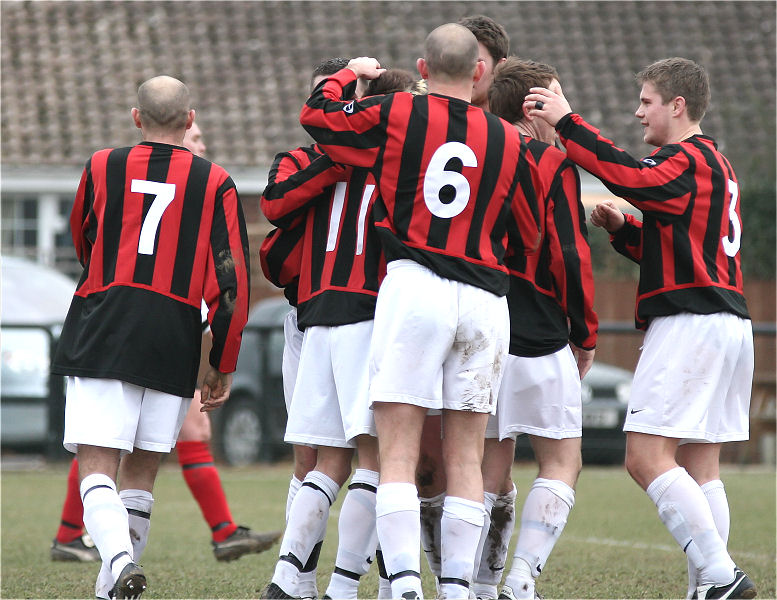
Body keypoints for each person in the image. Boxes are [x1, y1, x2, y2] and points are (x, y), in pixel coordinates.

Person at [299, 23, 541, 600]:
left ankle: (405, 582)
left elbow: (318, 118)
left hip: (416, 286)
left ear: (422, 68)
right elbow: (529, 236)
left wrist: (349, 74)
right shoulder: (511, 139)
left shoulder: (399, 112)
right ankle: (456, 588)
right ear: (481, 72)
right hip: (486, 297)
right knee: (466, 456)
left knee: (398, 453)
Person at [526, 57, 756, 599]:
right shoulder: (717, 164)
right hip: (726, 321)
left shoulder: (687, 159)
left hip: (691, 323)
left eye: (647, 102)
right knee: (702, 465)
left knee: (645, 456)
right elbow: (678, 244)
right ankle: (707, 588)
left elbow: (631, 176)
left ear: (677, 106)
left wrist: (567, 121)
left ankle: (721, 577)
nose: (638, 112)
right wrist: (626, 228)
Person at [50, 76, 251, 599]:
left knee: (97, 462)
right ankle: (114, 582)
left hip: (105, 317)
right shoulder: (216, 181)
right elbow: (232, 283)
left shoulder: (101, 165)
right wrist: (222, 360)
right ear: (189, 122)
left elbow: (83, 237)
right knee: (142, 469)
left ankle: (116, 563)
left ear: (137, 119)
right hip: (174, 329)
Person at [259, 57, 416, 600]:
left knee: (327, 461)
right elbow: (275, 209)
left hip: (321, 311)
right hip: (363, 313)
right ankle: (343, 585)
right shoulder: (392, 157)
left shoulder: (334, 154)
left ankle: (286, 578)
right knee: (373, 456)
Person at [479, 57, 597, 600]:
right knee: (561, 459)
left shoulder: (479, 156)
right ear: (534, 109)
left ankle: (472, 583)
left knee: (484, 465)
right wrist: (586, 333)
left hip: (482, 329)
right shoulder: (554, 165)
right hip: (542, 330)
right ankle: (522, 578)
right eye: (554, 97)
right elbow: (570, 256)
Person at [458, 14, 509, 110]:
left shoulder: (519, 121)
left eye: (475, 64)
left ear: (500, 68)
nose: (464, 71)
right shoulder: (427, 118)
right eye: (458, 61)